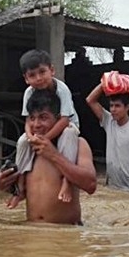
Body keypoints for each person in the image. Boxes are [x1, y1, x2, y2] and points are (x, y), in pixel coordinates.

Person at [0, 89, 96, 225]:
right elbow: (24, 192)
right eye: (32, 118)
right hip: (32, 233)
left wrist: (53, 154)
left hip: (65, 235)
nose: (36, 125)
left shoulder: (78, 144)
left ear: (58, 118)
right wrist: (3, 184)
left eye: (43, 118)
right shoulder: (28, 148)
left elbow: (91, 185)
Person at [14, 49, 80, 204]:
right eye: (32, 75)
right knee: (22, 142)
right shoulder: (28, 93)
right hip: (41, 129)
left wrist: (45, 139)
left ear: (52, 70)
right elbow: (28, 121)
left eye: (42, 72)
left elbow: (64, 120)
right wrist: (30, 137)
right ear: (26, 78)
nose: (38, 78)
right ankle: (20, 183)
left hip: (67, 125)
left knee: (69, 134)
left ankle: (66, 181)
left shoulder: (62, 89)